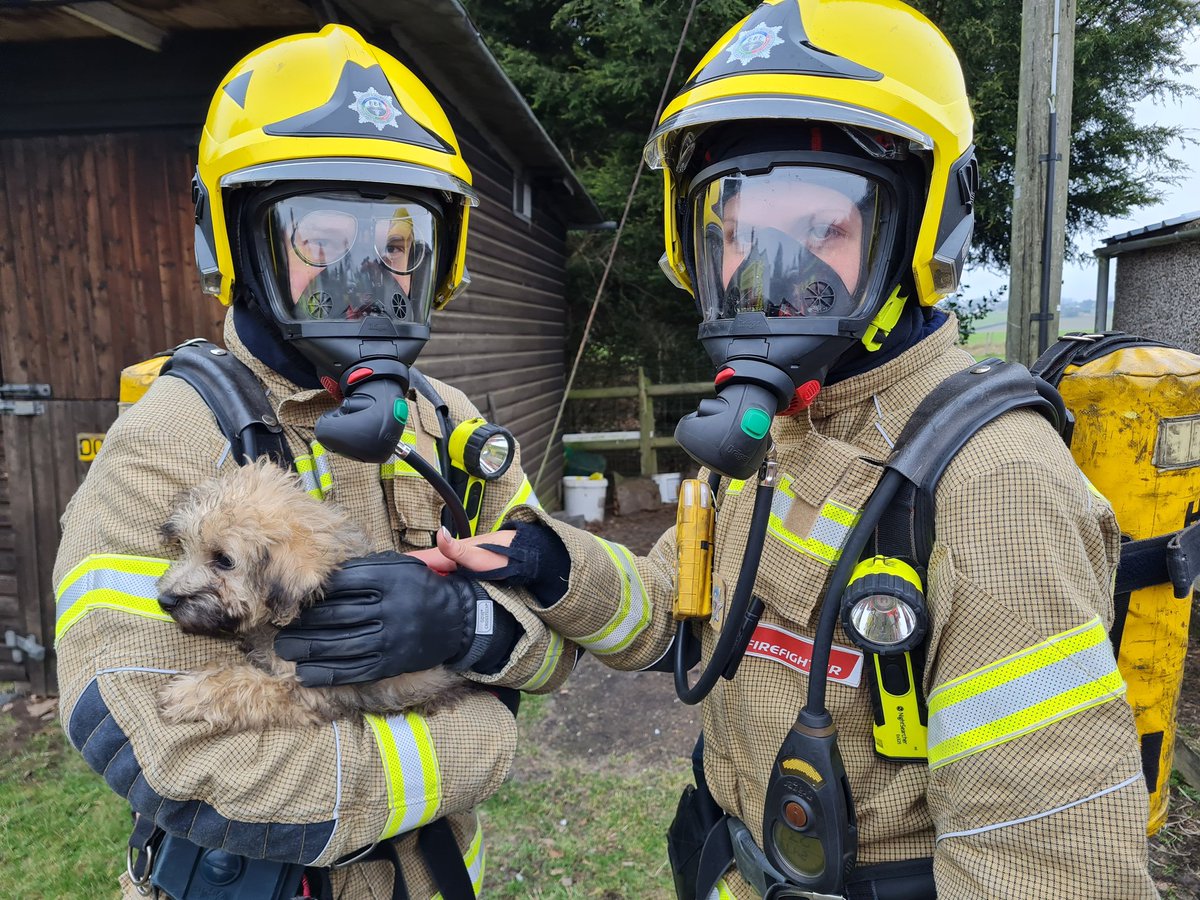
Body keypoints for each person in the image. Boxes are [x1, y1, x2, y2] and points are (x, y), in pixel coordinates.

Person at [280, 2, 1159, 898]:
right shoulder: (776, 428)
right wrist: (550, 563)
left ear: (921, 231)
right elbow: (671, 610)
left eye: (821, 232)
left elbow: (1052, 869)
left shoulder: (993, 484)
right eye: (738, 233)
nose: (771, 280)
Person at [52, 24, 574, 899]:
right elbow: (152, 742)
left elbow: (559, 643)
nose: (368, 275)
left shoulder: (448, 423)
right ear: (238, 240)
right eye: (322, 241)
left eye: (397, 244)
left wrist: (467, 626)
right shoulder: (169, 437)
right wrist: (475, 743)